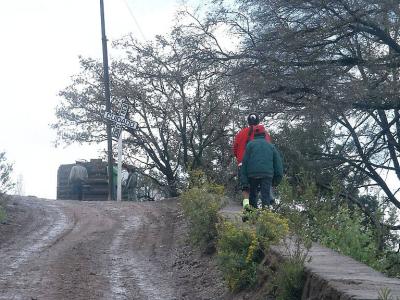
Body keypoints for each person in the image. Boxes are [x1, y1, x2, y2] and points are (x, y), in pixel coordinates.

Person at [233, 113, 272, 208]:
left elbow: (235, 149)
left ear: (248, 121)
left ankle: (247, 207)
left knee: (245, 188)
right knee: (259, 187)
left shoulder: (241, 133)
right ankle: (264, 208)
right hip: (258, 166)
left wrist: (239, 159)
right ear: (258, 121)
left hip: (242, 164)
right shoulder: (264, 134)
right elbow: (268, 148)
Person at [240, 125, 283, 209]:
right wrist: (276, 181)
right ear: (264, 134)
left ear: (254, 134)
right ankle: (265, 218)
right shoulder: (271, 146)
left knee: (252, 196)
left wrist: (244, 181)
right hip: (267, 174)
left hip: (252, 174)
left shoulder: (250, 145)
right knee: (265, 196)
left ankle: (253, 217)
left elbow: (244, 163)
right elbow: (278, 165)